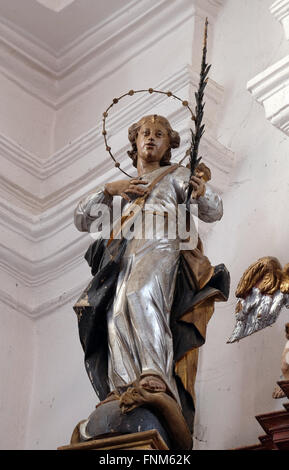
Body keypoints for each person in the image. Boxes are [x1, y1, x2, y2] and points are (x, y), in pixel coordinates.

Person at [74, 115, 229, 433]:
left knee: (142, 294)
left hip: (162, 238)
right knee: (117, 312)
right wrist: (108, 190)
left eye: (160, 134)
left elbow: (214, 211)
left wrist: (201, 193)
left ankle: (153, 373)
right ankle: (122, 384)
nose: (151, 139)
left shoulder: (176, 174)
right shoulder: (123, 188)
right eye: (145, 133)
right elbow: (82, 218)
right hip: (125, 249)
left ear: (169, 144)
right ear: (134, 142)